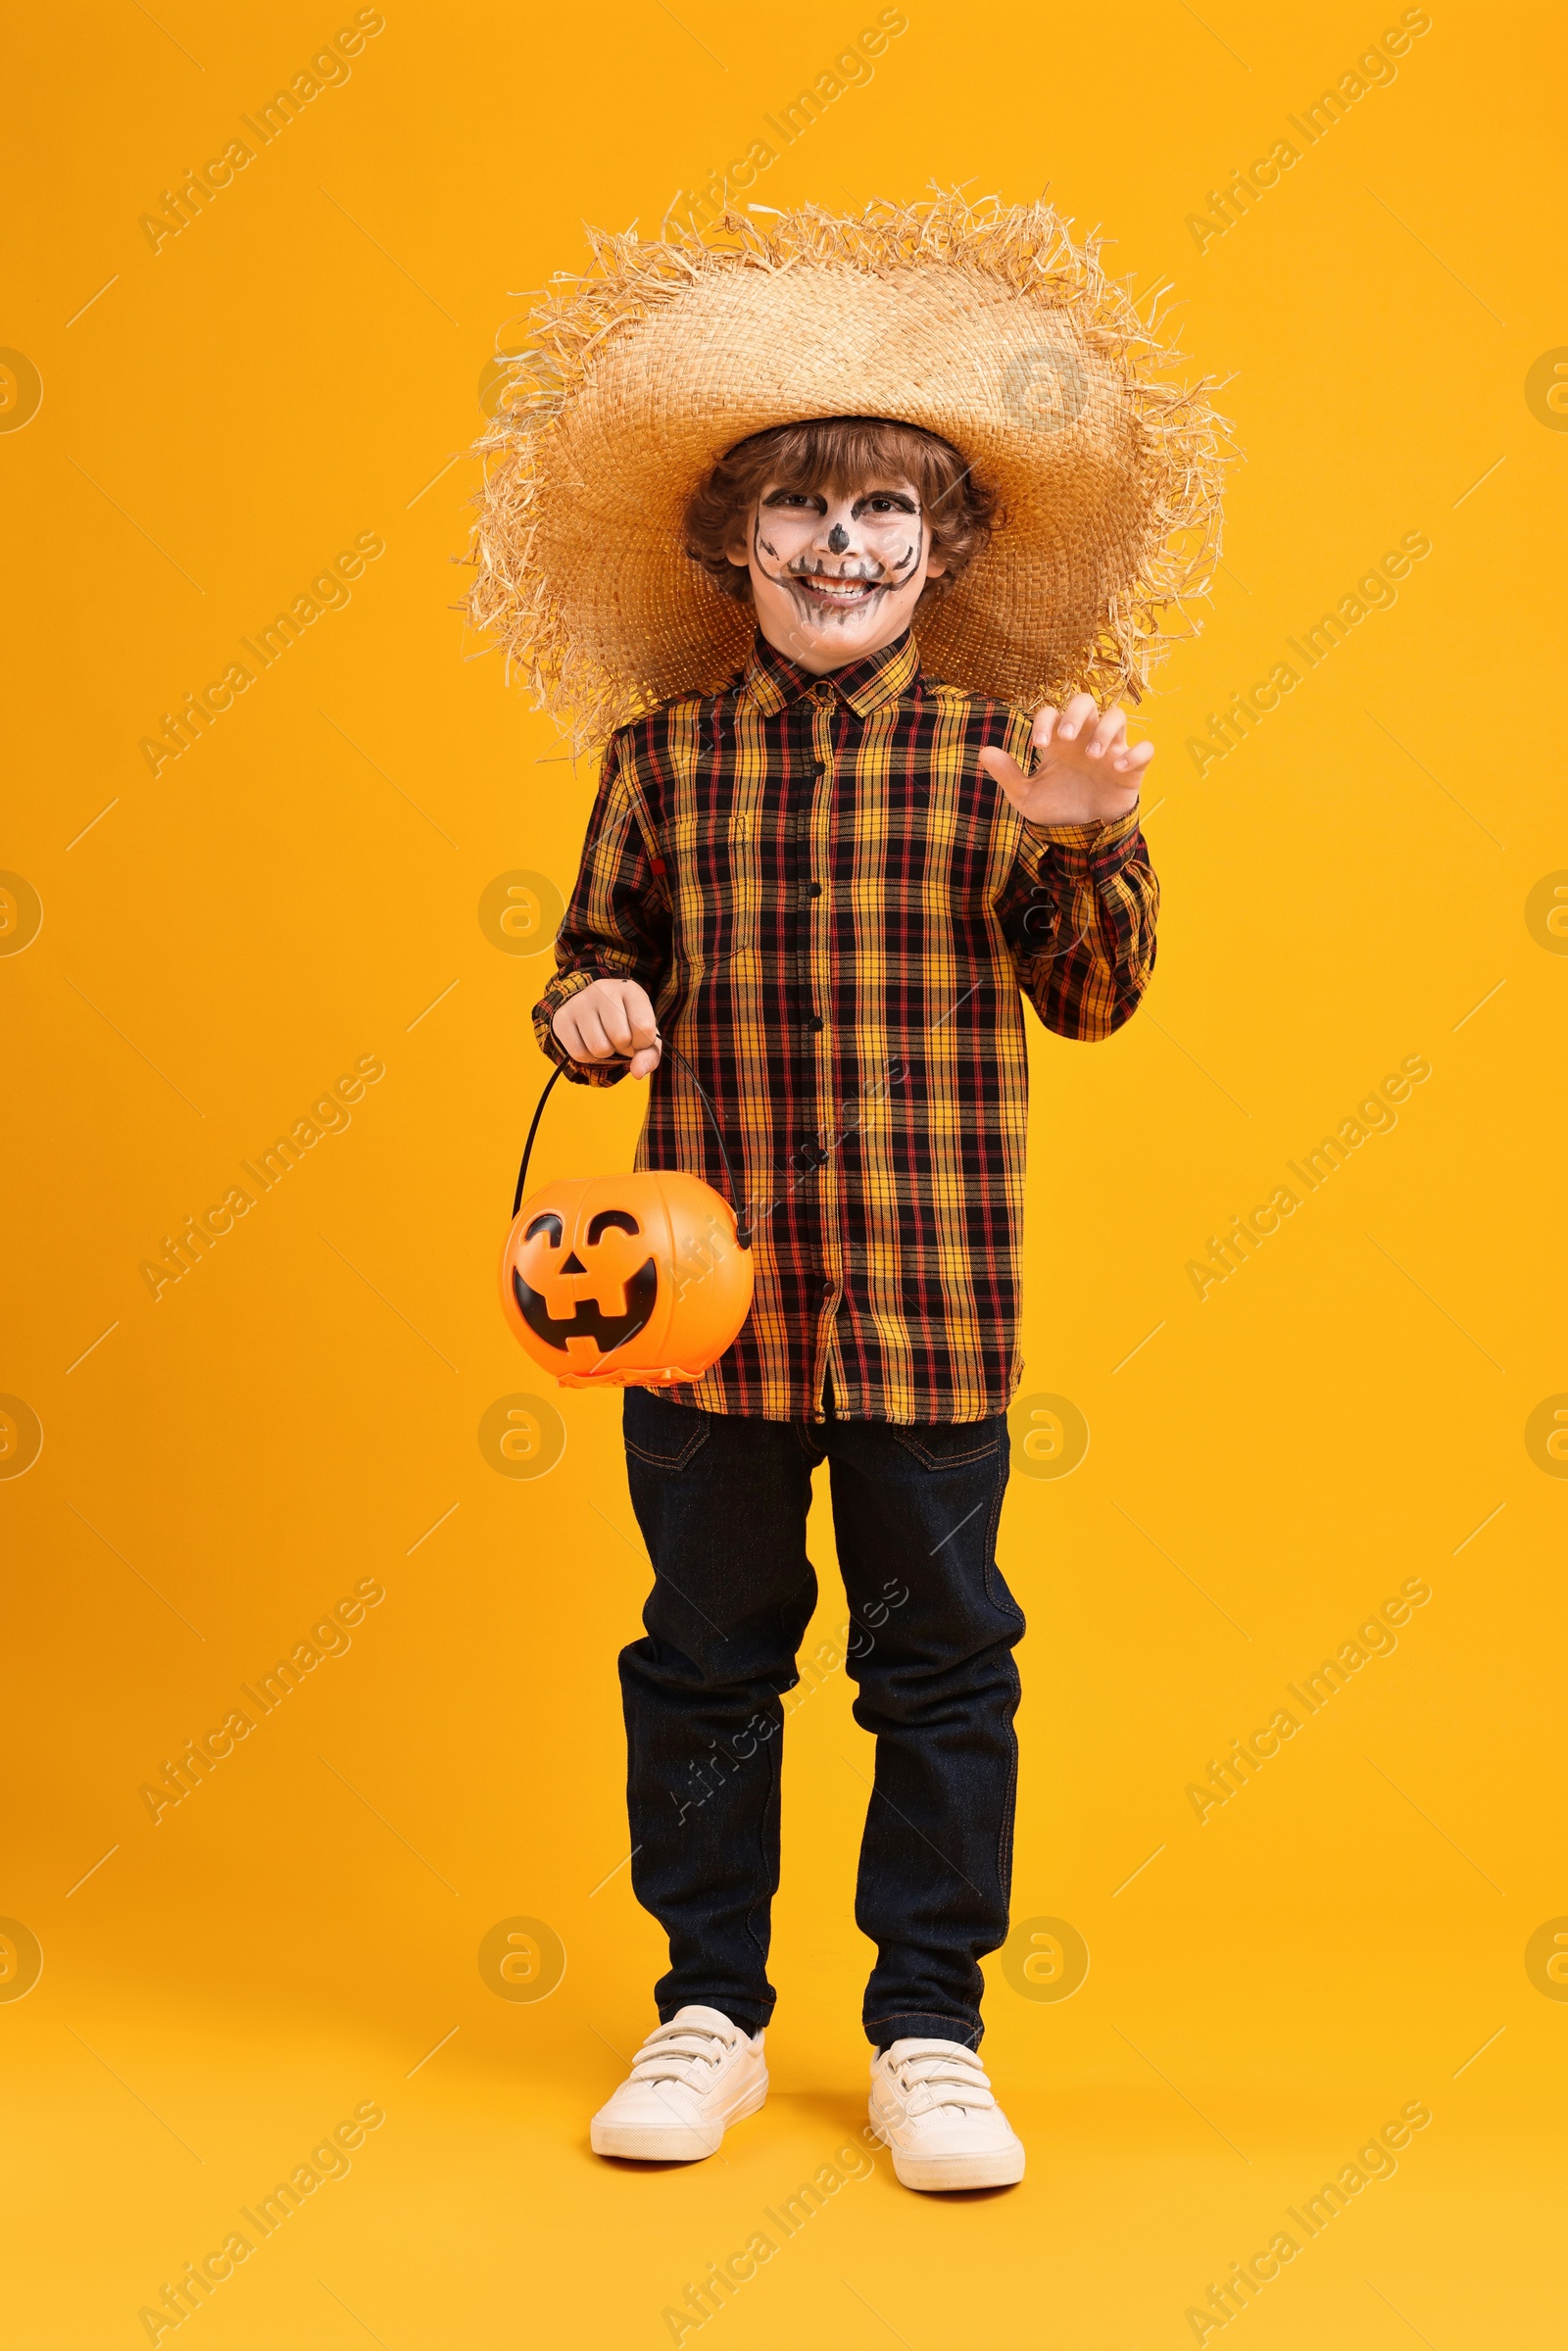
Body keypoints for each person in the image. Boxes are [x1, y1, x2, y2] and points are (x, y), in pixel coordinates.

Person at [468, 193, 1224, 2192]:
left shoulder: (1004, 760)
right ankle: (705, 2008)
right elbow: (581, 969)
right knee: (705, 1655)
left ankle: (927, 2033)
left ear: (946, 548)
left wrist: (1082, 850)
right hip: (698, 1312)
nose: (840, 547)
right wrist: (593, 1005)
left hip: (930, 1304)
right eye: (800, 512)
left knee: (936, 1663)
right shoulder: (659, 760)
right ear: (736, 545)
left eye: (885, 511)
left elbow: (1090, 1002)